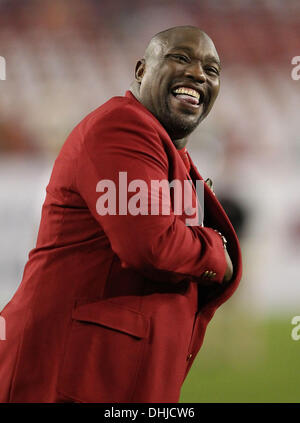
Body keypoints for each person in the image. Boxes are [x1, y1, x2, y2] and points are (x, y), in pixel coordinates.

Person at [0, 25, 242, 403]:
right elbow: (151, 243)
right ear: (142, 70)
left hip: (106, 377)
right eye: (180, 58)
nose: (198, 74)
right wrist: (216, 252)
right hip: (66, 378)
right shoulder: (123, 127)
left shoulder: (168, 152)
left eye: (212, 70)